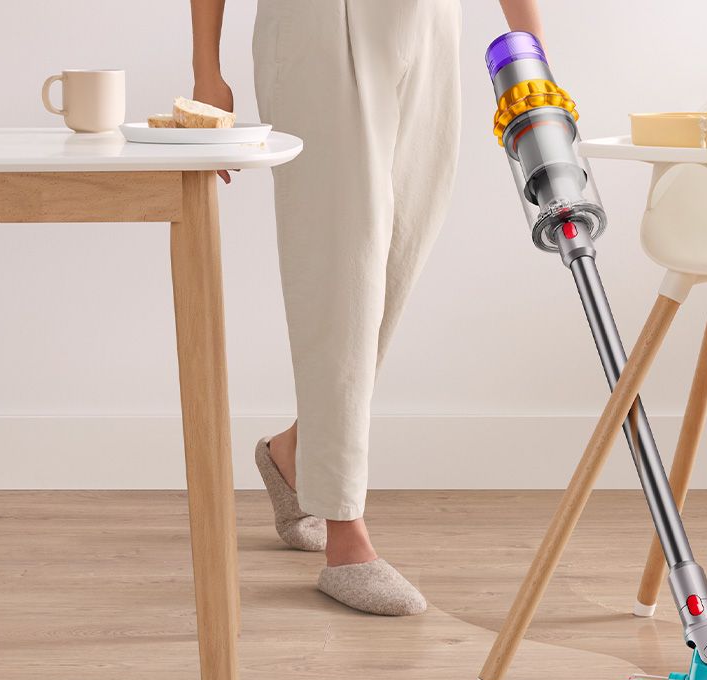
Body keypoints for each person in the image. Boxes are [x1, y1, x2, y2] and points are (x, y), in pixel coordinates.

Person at [190, 0, 544, 615]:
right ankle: (344, 535)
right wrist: (206, 68)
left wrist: (532, 57)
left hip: (431, 28)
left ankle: (298, 453)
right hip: (324, 29)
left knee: (395, 260)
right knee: (341, 269)